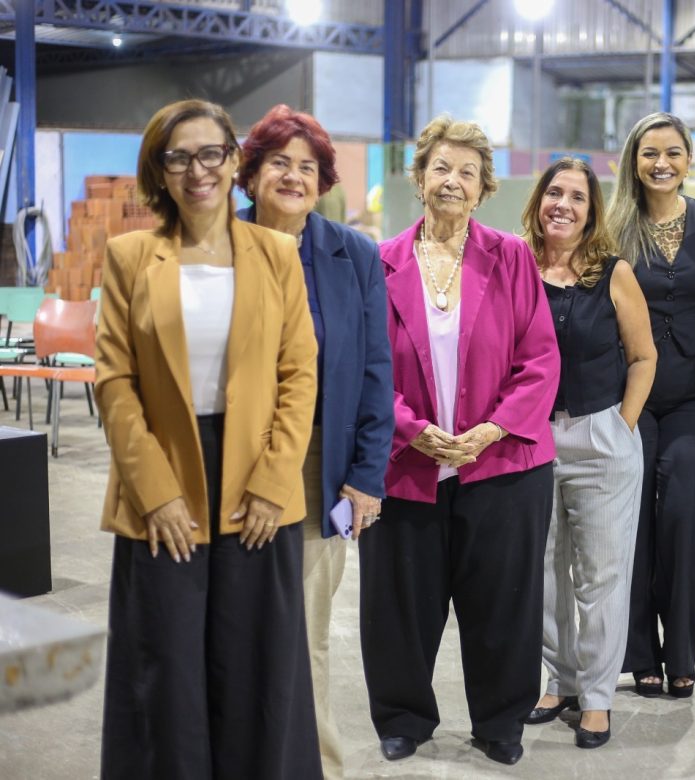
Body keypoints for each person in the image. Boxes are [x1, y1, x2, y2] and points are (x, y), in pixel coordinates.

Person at [95, 99, 321, 779]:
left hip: (258, 484)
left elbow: (298, 374)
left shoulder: (277, 253)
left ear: (233, 161)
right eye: (178, 156)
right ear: (159, 172)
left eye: (210, 153)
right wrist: (157, 494)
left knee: (258, 669)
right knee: (163, 672)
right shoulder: (130, 256)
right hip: (161, 486)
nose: (197, 169)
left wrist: (273, 483)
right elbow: (113, 381)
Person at [360, 115, 560, 766]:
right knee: (399, 604)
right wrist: (414, 432)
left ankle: (500, 723)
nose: (453, 181)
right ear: (418, 179)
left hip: (501, 462)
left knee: (502, 604)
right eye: (441, 168)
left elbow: (541, 358)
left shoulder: (512, 258)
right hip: (402, 464)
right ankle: (403, 717)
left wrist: (490, 428)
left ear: (483, 189)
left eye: (467, 172)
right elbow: (362, 366)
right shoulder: (380, 263)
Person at [237, 104, 395, 780]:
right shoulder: (211, 244)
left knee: (304, 637)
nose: (294, 176)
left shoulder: (352, 254)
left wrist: (365, 476)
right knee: (230, 631)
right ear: (251, 173)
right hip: (225, 466)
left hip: (315, 468)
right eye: (280, 162)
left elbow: (374, 371)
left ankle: (312, 766)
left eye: (308, 166)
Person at [607, 112, 695, 699]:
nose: (660, 164)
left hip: (691, 394)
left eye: (672, 153)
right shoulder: (613, 226)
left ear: (690, 159)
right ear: (632, 161)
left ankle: (681, 648)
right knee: (632, 524)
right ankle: (640, 652)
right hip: (626, 399)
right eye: (648, 153)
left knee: (683, 518)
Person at [519, 159, 656, 748]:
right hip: (530, 437)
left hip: (600, 436)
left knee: (600, 575)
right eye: (554, 192)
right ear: (538, 200)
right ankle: (557, 680)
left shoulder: (614, 273)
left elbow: (645, 356)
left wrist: (622, 425)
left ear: (592, 210)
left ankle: (597, 696)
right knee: (543, 571)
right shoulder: (516, 264)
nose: (563, 204)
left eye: (577, 196)